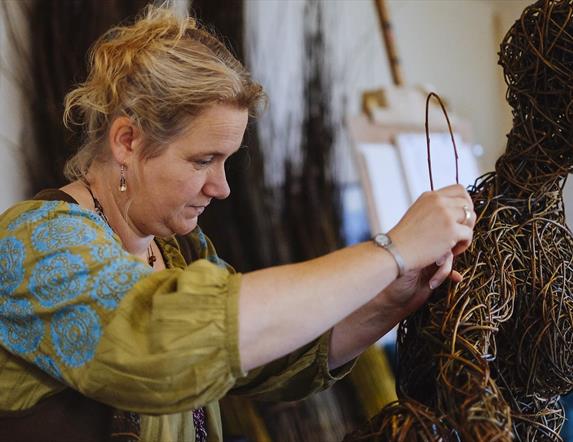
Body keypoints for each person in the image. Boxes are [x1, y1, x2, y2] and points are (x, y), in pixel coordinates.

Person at [0, 5, 475, 442]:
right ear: (127, 141)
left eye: (225, 161)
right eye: (203, 159)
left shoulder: (177, 253)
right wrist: (391, 251)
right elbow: (162, 343)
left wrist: (391, 298)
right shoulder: (36, 245)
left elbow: (272, 352)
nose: (221, 187)